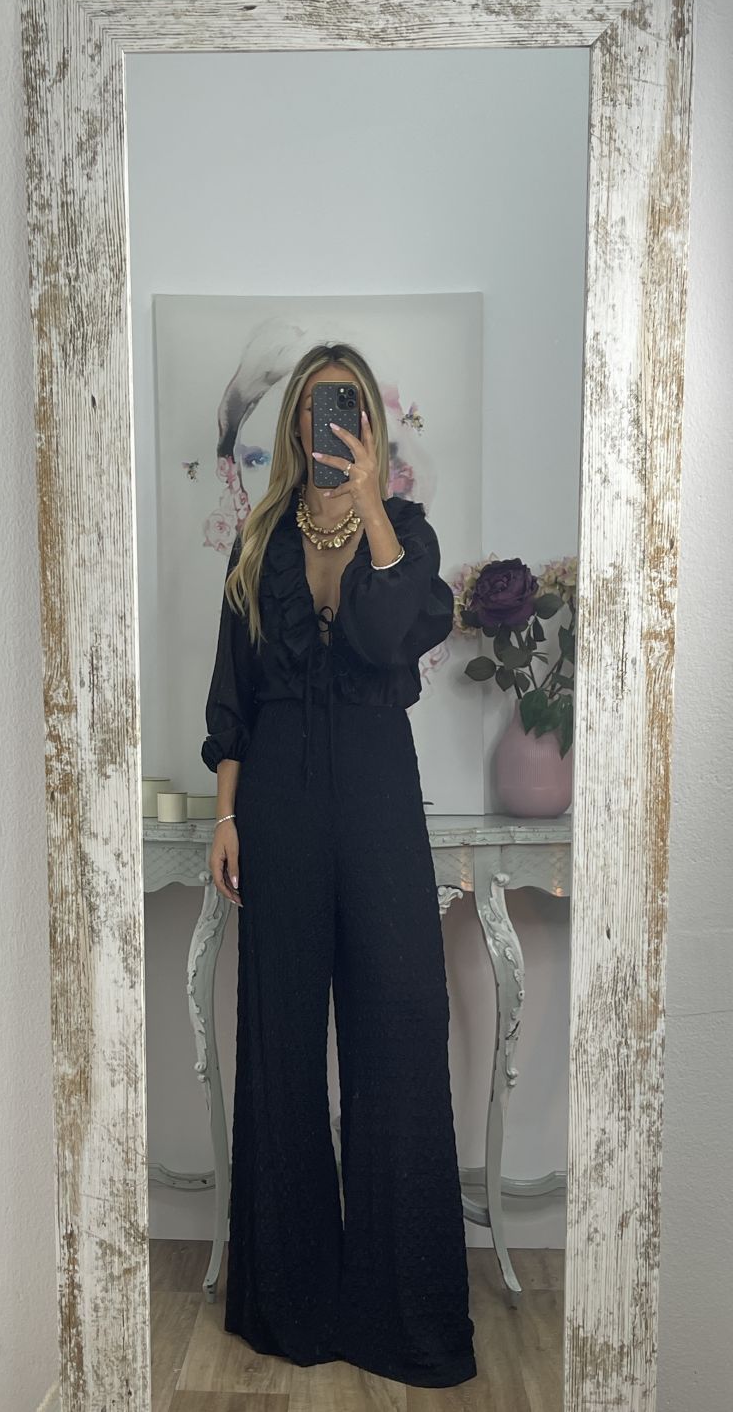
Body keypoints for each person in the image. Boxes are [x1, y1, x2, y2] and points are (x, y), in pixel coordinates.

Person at [200, 342, 477, 1388]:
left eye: (350, 406)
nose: (334, 424)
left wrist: (368, 505)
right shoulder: (258, 541)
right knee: (278, 1039)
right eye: (321, 409)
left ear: (370, 425)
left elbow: (397, 634)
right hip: (274, 804)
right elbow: (233, 695)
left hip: (375, 805)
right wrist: (226, 816)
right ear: (296, 427)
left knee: (397, 1026)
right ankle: (293, 1305)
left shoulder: (404, 535)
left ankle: (400, 1316)